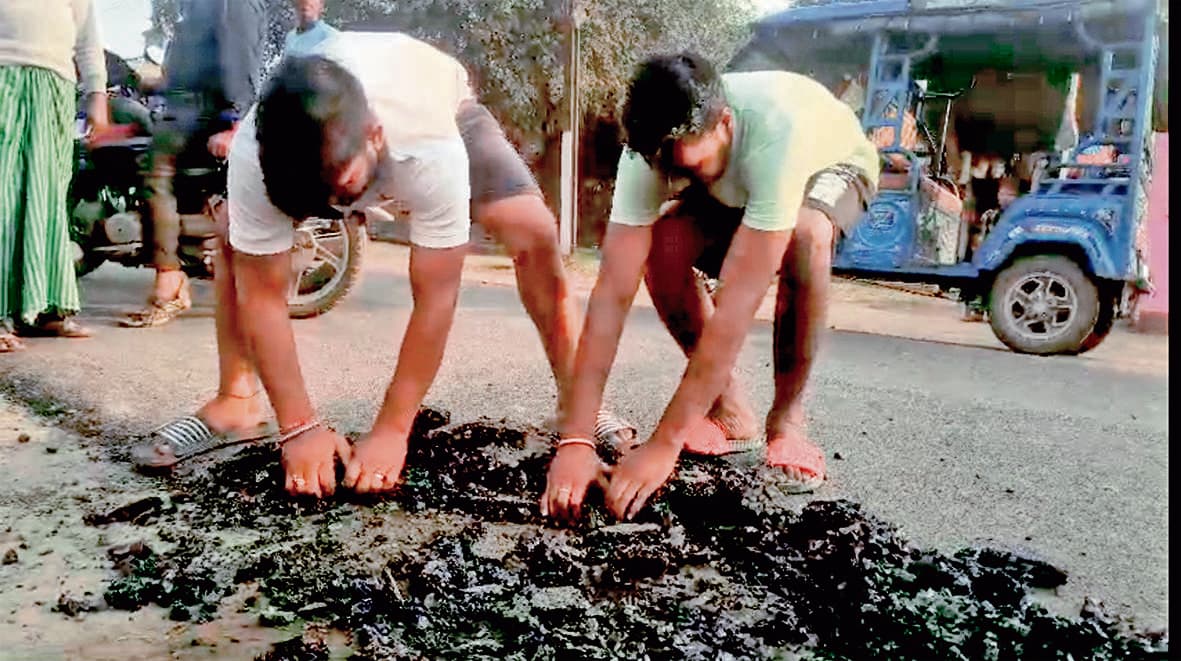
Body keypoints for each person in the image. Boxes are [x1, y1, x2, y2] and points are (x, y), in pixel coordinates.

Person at [133, 31, 633, 497]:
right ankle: (237, 401)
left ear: (374, 136)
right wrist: (299, 427)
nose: (331, 207)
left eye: (341, 191)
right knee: (235, 239)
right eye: (312, 200)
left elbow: (436, 297)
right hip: (327, 147)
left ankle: (578, 409)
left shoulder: (428, 144)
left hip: (443, 106)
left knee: (534, 231)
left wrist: (393, 429)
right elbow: (262, 294)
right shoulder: (255, 153)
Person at [542, 53, 880, 522]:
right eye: (666, 168)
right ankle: (730, 412)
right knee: (663, 243)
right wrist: (577, 439)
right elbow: (611, 295)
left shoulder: (776, 135)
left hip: (830, 167)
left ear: (724, 122)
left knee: (805, 234)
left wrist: (664, 444)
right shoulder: (650, 151)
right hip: (739, 184)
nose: (672, 176)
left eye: (688, 164)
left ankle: (787, 421)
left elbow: (736, 306)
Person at [121, 0, 267, 328]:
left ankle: (169, 280)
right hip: (187, 109)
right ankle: (186, 253)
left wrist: (235, 123)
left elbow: (239, 58)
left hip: (200, 115)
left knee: (154, 169)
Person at [0, 0, 111, 353]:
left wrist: (97, 95)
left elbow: (87, 41)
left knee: (48, 197)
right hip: (4, 80)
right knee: (4, 195)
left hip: (55, 88)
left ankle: (46, 307)